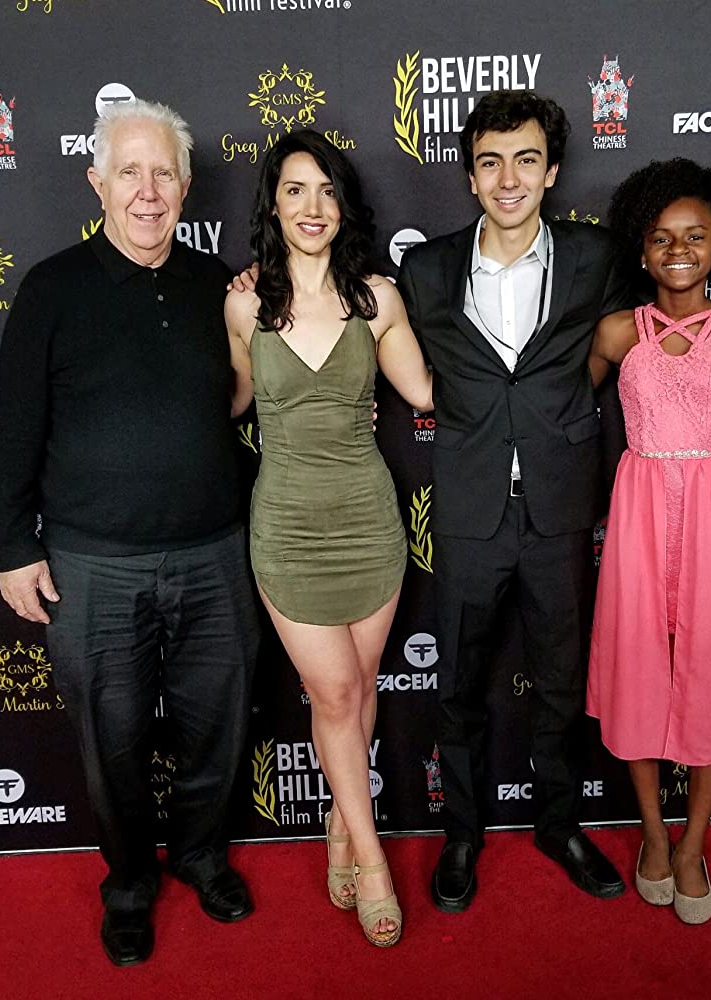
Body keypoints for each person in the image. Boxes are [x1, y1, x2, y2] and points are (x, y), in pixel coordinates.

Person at [393, 90, 711, 913]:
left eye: (527, 160)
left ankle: (560, 825)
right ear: (470, 176)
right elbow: (361, 318)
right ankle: (461, 837)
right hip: (467, 509)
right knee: (458, 685)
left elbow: (677, 309)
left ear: (552, 172)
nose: (509, 179)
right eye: (491, 162)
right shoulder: (425, 269)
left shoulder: (596, 255)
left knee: (562, 682)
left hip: (562, 508)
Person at [0, 100, 260, 967]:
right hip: (92, 565)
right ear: (97, 182)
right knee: (112, 742)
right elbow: (12, 429)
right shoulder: (51, 288)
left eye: (164, 173)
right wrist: (13, 548)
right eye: (130, 173)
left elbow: (247, 397)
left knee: (217, 726)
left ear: (186, 185)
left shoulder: (217, 286)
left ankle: (204, 858)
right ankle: (131, 884)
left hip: (215, 553)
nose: (148, 191)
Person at [224, 130, 432, 947]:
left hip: (368, 524)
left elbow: (424, 389)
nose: (313, 207)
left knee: (360, 687)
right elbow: (230, 402)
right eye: (295, 189)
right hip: (286, 529)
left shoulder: (377, 298)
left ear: (345, 206)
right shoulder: (243, 304)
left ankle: (342, 828)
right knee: (338, 694)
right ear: (273, 204)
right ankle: (373, 860)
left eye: (327, 190)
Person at [586, 159, 711, 924]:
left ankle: (694, 844)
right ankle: (653, 834)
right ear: (641, 252)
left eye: (695, 236)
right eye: (662, 238)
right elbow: (551, 395)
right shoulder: (615, 333)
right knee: (638, 674)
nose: (679, 250)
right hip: (639, 521)